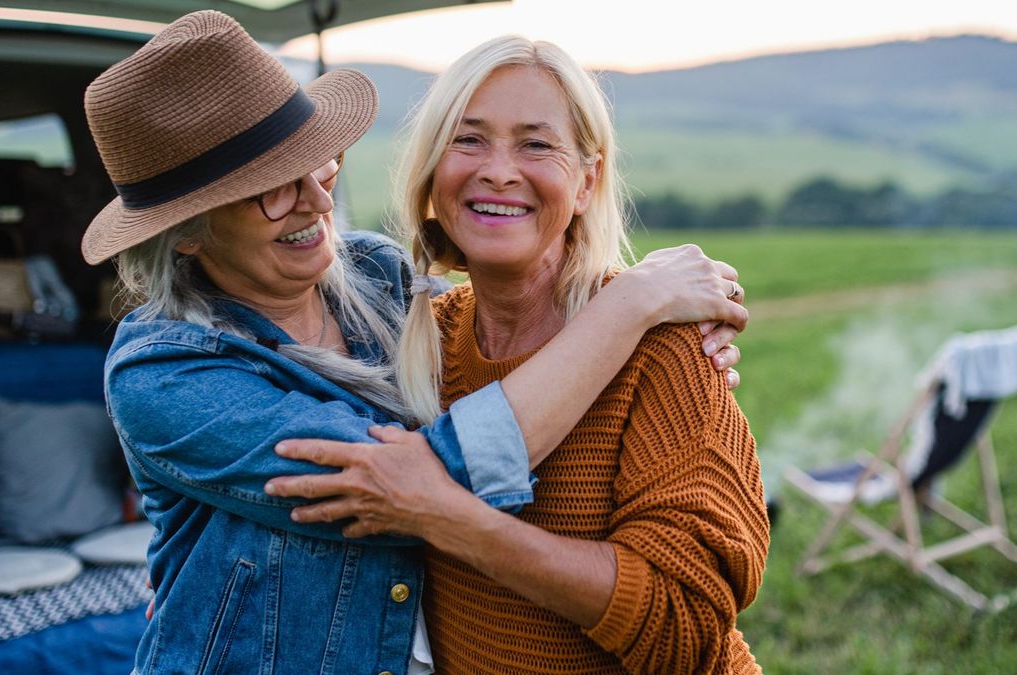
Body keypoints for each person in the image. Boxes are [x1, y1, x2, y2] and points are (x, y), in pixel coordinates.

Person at [81, 12, 748, 675]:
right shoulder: (164, 374)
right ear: (186, 232)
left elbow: (685, 623)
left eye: (318, 165)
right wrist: (630, 306)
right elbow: (416, 485)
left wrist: (662, 314)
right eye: (270, 188)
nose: (316, 201)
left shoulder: (381, 278)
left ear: (589, 178)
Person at [268, 36, 770, 674]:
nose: (499, 170)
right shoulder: (420, 339)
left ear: (587, 182)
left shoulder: (661, 341)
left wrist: (456, 522)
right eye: (468, 139)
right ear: (430, 173)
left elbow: (686, 624)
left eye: (536, 143)